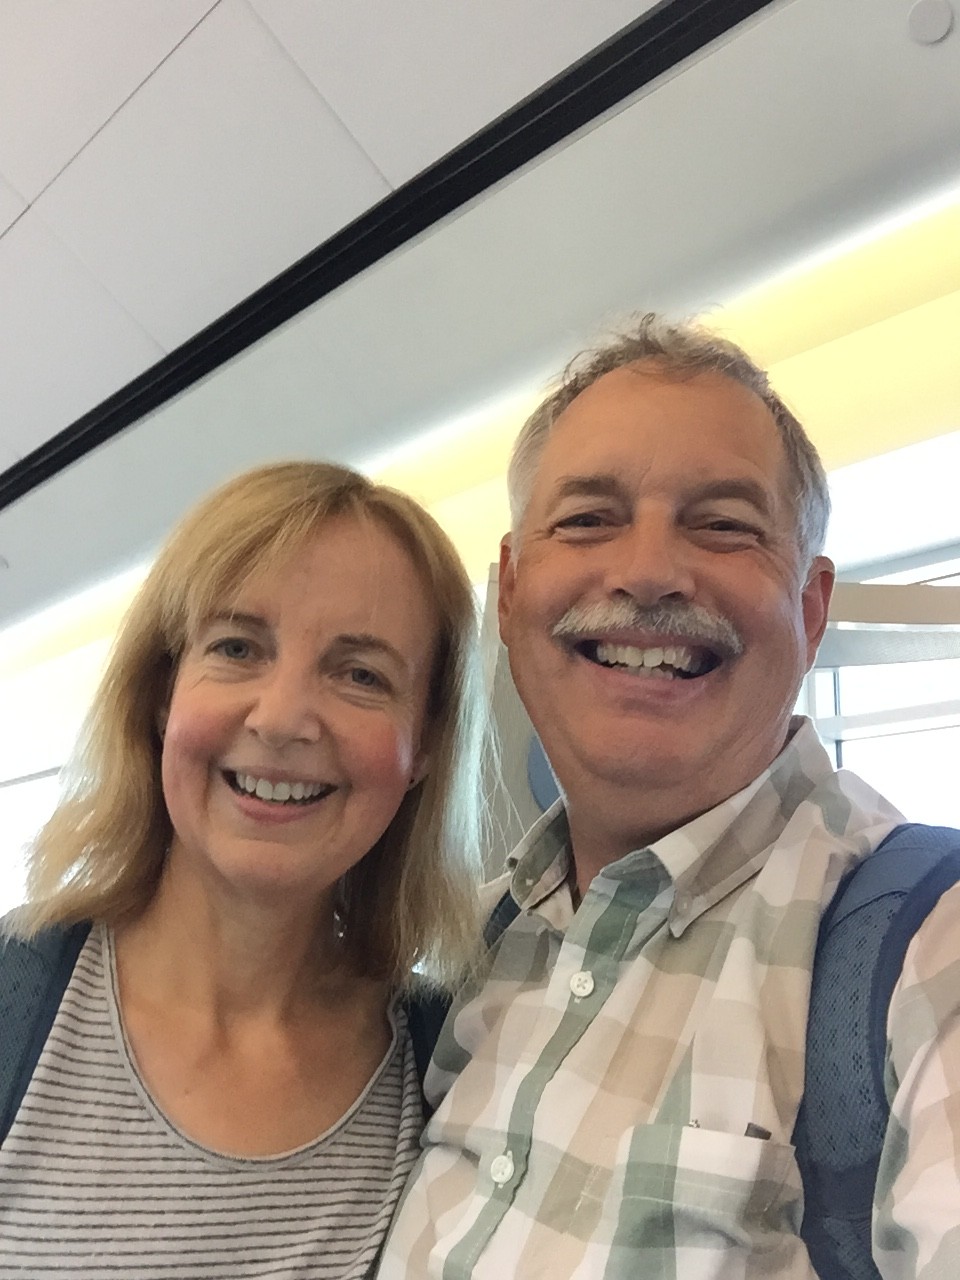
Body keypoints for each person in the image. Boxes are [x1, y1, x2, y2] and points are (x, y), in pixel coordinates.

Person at [379, 315, 960, 1277]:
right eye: (587, 520)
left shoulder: (927, 948)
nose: (648, 572)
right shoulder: (460, 957)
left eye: (724, 525)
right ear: (512, 597)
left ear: (811, 609)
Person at [0, 461, 486, 1279]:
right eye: (236, 648)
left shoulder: (452, 1068)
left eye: (361, 674)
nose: (283, 718)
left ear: (426, 747)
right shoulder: (15, 1005)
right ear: (162, 694)